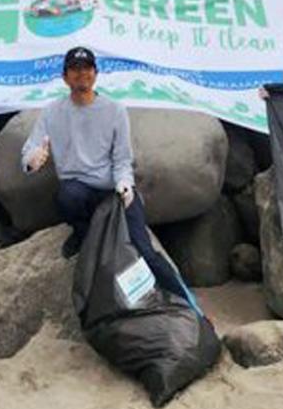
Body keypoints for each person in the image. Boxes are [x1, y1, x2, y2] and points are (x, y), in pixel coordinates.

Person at [21, 46, 187, 299]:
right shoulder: (53, 111)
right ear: (65, 77)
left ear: (95, 74)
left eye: (87, 69)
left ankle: (184, 302)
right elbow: (30, 151)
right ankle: (84, 234)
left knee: (143, 249)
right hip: (79, 190)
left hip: (113, 191)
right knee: (67, 196)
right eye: (75, 70)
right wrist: (33, 160)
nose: (81, 74)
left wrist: (124, 184)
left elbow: (122, 158)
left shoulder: (114, 110)